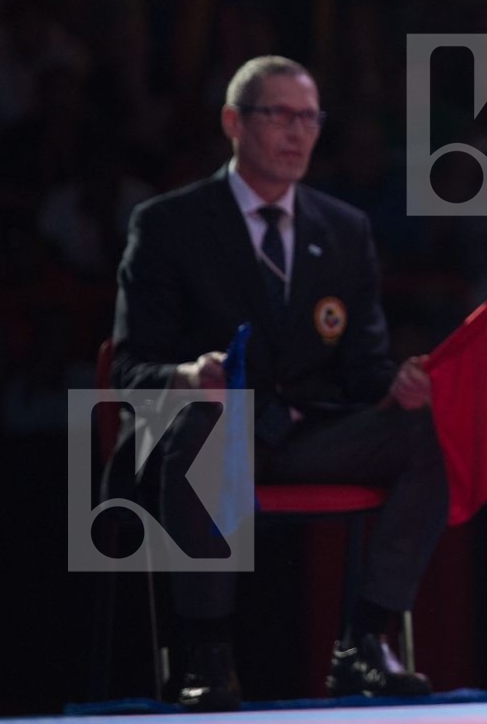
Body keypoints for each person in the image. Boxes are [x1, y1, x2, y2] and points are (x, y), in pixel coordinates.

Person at [110, 56, 444, 710]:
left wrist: (400, 382)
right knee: (208, 421)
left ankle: (364, 644)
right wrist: (187, 376)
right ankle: (204, 655)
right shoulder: (168, 225)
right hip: (198, 437)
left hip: (302, 434)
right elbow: (127, 369)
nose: (297, 133)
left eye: (309, 118)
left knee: (423, 435)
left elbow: (364, 368)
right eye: (279, 115)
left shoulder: (343, 230)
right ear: (234, 122)